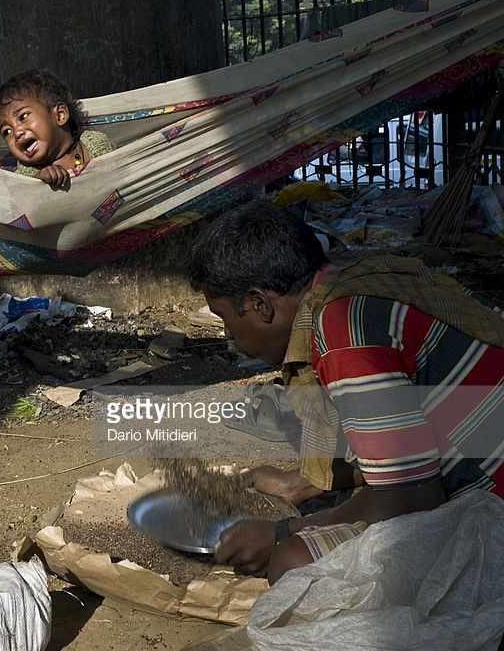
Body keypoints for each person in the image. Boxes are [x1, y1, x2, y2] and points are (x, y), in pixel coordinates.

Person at [186, 199, 504, 584]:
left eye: (225, 318)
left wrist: (281, 533)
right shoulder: (353, 289)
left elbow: (411, 495)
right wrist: (299, 483)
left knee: (293, 564)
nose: (227, 336)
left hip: (492, 503)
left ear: (259, 305)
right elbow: (399, 444)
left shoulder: (344, 333)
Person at [0, 69, 115, 188]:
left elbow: (120, 174)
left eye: (23, 116)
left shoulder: (94, 144)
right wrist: (38, 183)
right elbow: (25, 203)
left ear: (60, 115)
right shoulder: (25, 173)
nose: (17, 133)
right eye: (7, 131)